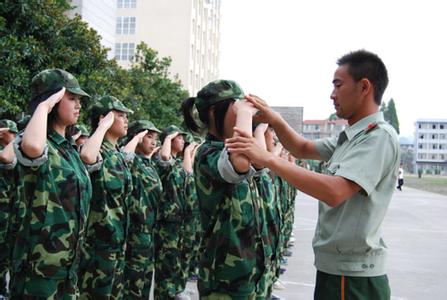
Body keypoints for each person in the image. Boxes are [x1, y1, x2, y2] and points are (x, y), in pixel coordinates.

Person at [226, 50, 400, 300]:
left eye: (338, 85)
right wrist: (274, 119)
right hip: (338, 270)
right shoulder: (352, 137)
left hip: (353, 277)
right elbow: (303, 148)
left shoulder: (378, 137)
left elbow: (335, 191)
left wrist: (267, 158)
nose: (332, 94)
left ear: (364, 87)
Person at [8, 69, 92, 299]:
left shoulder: (68, 149)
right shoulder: (36, 141)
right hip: (37, 269)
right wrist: (43, 106)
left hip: (67, 267)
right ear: (52, 99)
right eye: (71, 98)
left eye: (79, 100)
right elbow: (34, 149)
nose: (78, 105)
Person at [182, 80, 266, 299]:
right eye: (235, 107)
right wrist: (245, 115)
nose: (242, 113)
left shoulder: (230, 147)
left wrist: (262, 124)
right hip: (223, 276)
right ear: (213, 112)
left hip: (247, 271)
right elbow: (240, 163)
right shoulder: (208, 153)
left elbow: (260, 162)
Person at [78, 95, 133, 299]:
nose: (126, 120)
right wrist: (102, 127)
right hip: (97, 246)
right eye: (120, 115)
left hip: (117, 243)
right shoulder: (97, 148)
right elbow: (86, 157)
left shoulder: (117, 154)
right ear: (105, 118)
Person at [121, 120, 163, 299]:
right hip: (134, 232)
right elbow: (122, 157)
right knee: (133, 282)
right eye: (149, 137)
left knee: (146, 279)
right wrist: (137, 137)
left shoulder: (148, 164)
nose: (154, 142)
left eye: (156, 138)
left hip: (149, 231)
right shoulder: (132, 161)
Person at [0, 119, 18, 298]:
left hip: (11, 211)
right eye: (11, 132)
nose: (14, 136)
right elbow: (5, 158)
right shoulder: (4, 152)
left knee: (7, 253)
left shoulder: (18, 151)